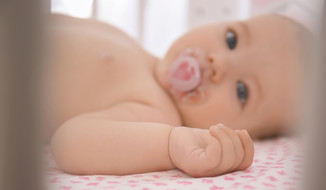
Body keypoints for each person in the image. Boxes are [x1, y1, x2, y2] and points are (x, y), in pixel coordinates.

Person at [46, 12, 309, 177]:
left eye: (242, 92)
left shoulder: (155, 112)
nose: (220, 63)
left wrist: (171, 144)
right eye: (232, 39)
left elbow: (70, 142)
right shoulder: (137, 50)